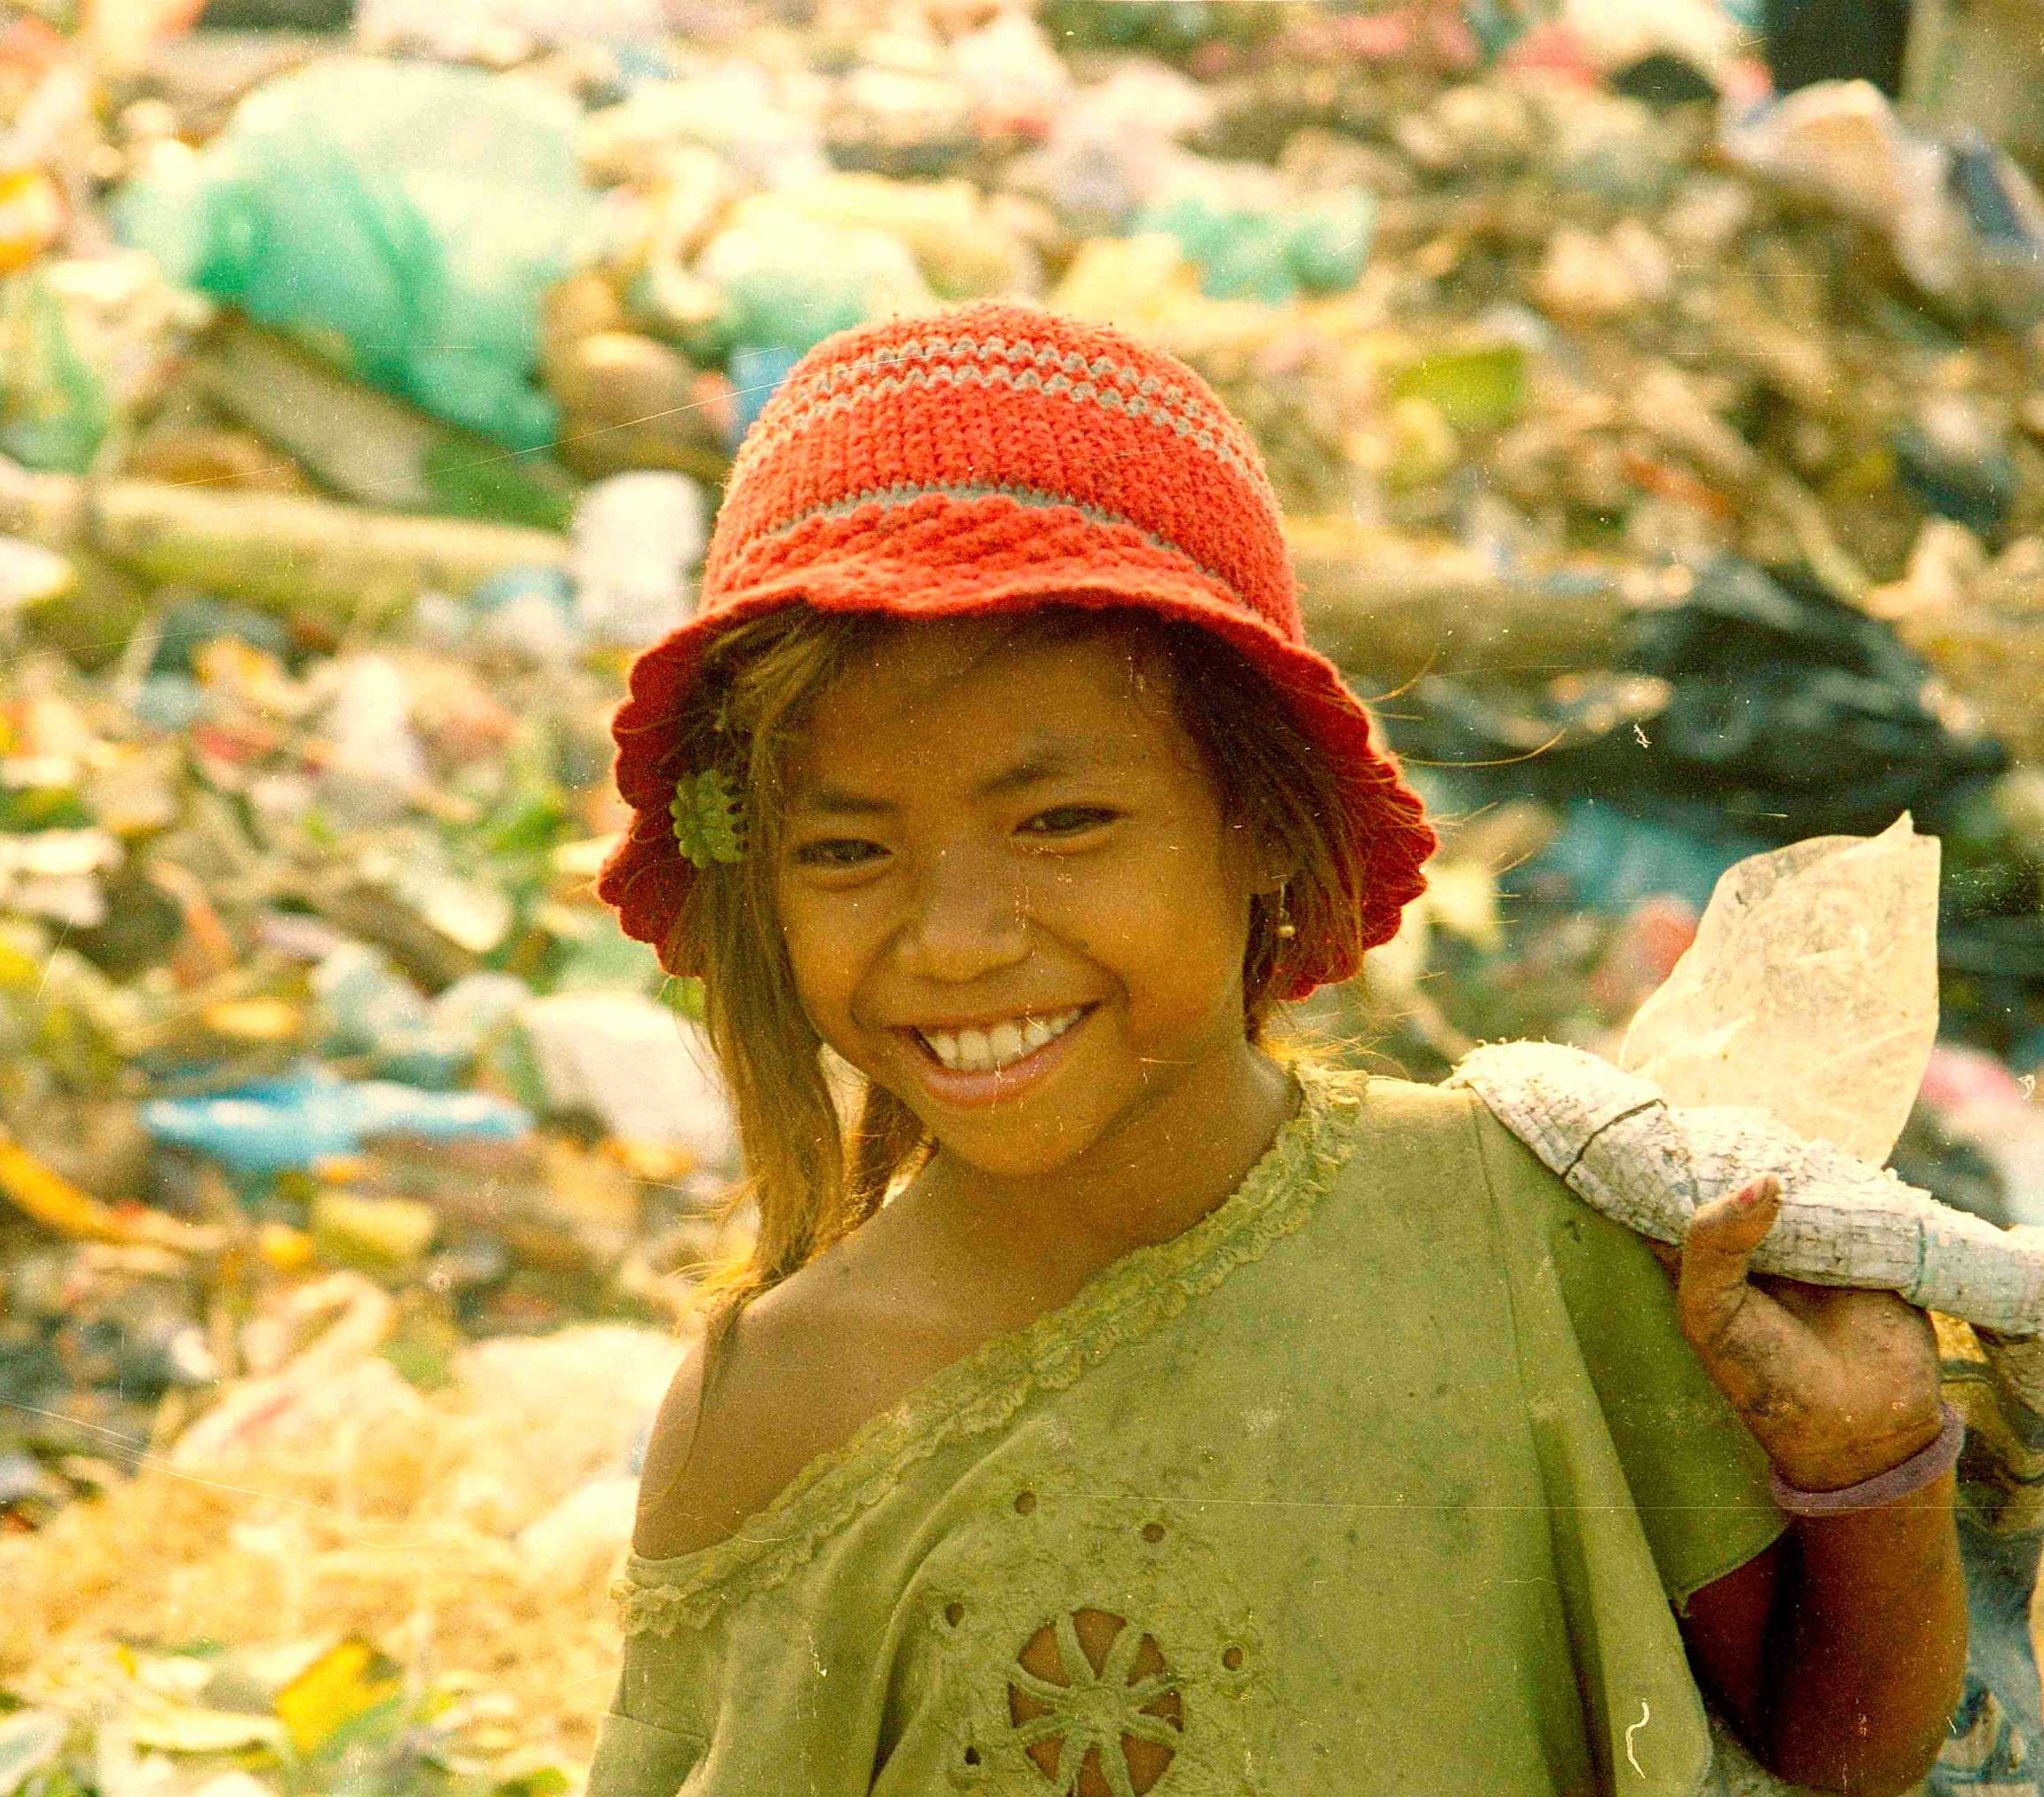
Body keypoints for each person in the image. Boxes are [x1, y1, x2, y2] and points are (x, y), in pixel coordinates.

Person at [585, 302, 1966, 1795]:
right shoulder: (771, 1411)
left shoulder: (1514, 1233)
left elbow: (1840, 1747)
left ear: (1256, 819)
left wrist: (1870, 1473)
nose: (958, 939)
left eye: (1062, 823)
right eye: (847, 849)